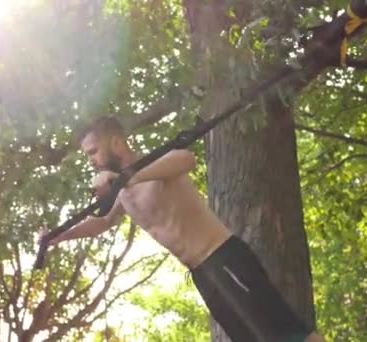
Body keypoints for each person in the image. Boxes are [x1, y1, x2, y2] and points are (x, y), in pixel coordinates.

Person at [44, 116, 325, 342]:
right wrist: (58, 237)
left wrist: (126, 178)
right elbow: (102, 223)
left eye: (93, 151)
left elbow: (186, 159)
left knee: (294, 335)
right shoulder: (122, 190)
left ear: (116, 143)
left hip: (224, 258)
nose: (91, 159)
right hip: (203, 275)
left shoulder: (153, 166)